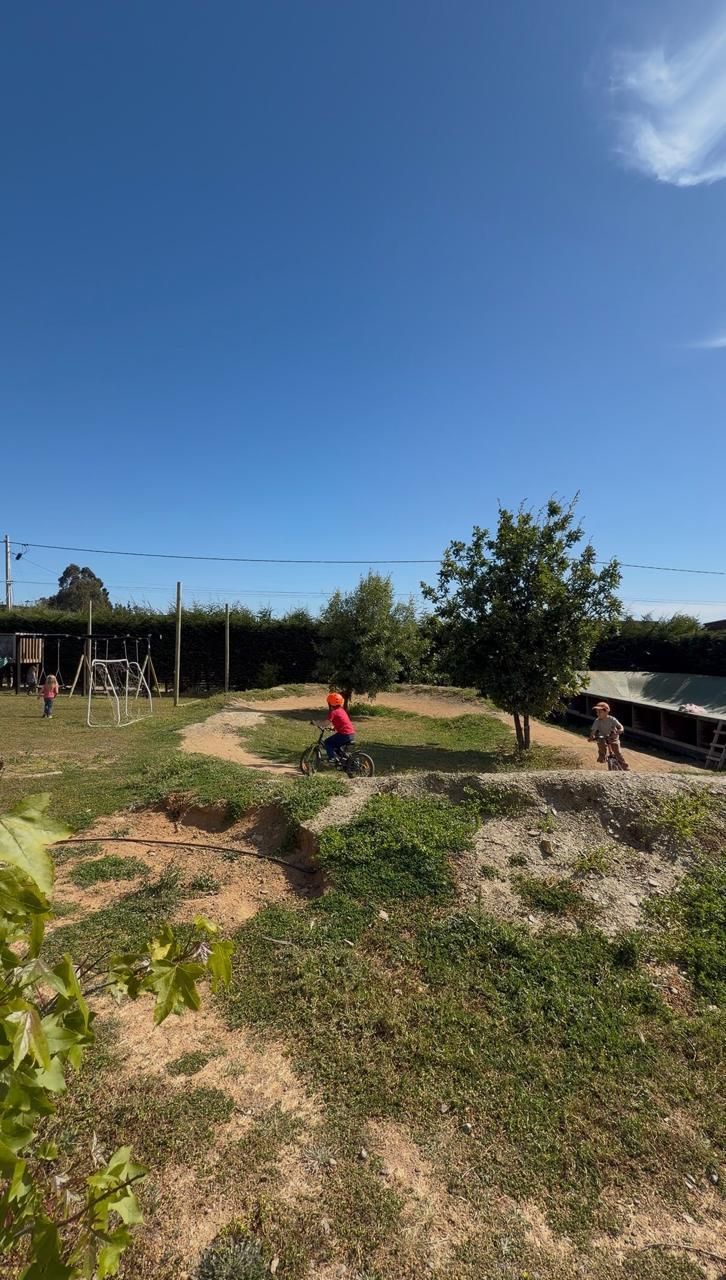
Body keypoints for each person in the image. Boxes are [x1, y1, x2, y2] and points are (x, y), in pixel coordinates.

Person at [589, 701, 628, 769]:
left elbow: (620, 726)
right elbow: (593, 730)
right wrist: (591, 736)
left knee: (617, 752)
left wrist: (621, 730)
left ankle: (624, 766)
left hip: (613, 736)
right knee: (601, 743)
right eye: (597, 712)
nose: (597, 714)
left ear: (606, 712)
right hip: (602, 736)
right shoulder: (597, 721)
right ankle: (602, 756)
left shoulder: (612, 719)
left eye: (599, 712)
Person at [324, 691, 356, 764]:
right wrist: (334, 728)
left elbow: (325, 723)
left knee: (327, 742)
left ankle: (332, 758)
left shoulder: (333, 712)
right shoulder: (342, 710)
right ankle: (344, 762)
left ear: (330, 703)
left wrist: (316, 723)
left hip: (344, 734)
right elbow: (343, 723)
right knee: (336, 746)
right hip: (350, 734)